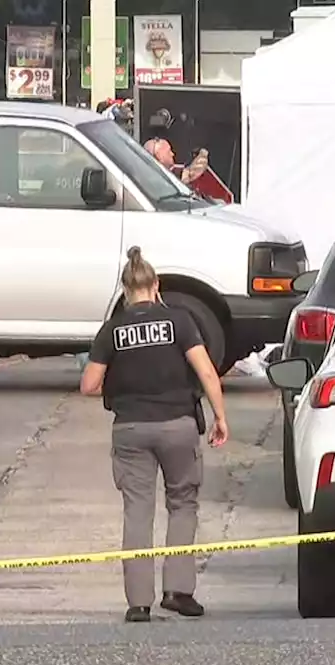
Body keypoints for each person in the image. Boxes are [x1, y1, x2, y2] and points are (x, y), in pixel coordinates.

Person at [79, 247, 230, 623]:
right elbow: (208, 372)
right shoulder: (178, 321)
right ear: (156, 286)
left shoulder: (113, 330)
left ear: (126, 290)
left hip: (130, 429)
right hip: (177, 426)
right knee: (182, 504)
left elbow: (88, 384)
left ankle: (138, 603)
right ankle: (178, 591)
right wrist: (220, 417)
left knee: (137, 511)